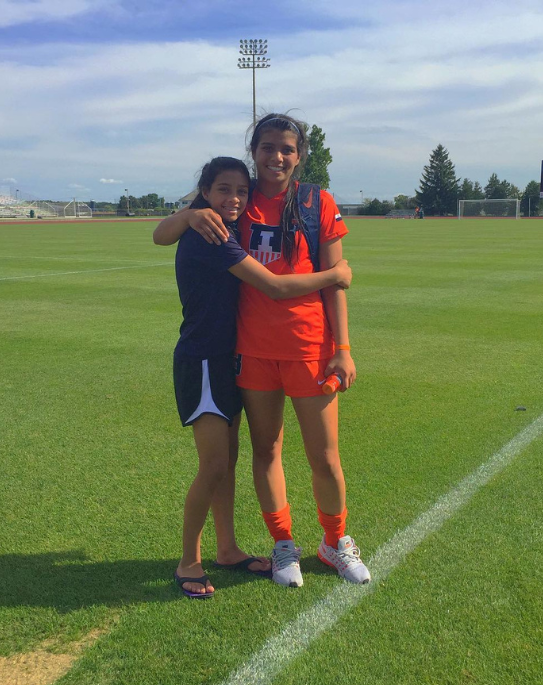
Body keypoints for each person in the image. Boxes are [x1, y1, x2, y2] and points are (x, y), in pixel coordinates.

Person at [156, 114, 371, 588]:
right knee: (264, 451)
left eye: (287, 149)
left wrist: (344, 348)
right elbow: (163, 233)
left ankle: (335, 541)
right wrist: (190, 214)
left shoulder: (317, 201)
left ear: (300, 155)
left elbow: (338, 284)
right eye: (268, 147)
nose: (277, 157)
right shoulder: (240, 198)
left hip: (309, 348)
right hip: (249, 351)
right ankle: (282, 545)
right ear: (254, 151)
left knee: (326, 457)